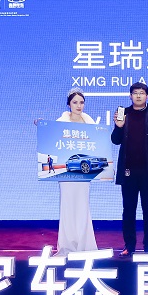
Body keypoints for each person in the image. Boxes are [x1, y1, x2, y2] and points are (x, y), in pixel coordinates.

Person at [111, 82, 148, 257]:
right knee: (128, 211)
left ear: (147, 96)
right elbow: (115, 140)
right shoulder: (124, 114)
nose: (138, 96)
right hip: (128, 171)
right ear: (130, 96)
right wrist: (118, 126)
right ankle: (129, 246)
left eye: (142, 93)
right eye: (135, 93)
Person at [54, 88, 98, 256]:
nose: (79, 105)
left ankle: (85, 244)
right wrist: (42, 127)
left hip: (84, 173)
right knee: (67, 206)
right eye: (75, 102)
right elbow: (51, 140)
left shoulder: (90, 123)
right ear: (69, 104)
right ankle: (67, 245)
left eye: (81, 102)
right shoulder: (61, 123)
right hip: (67, 173)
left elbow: (98, 146)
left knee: (82, 205)